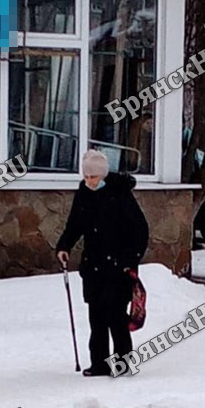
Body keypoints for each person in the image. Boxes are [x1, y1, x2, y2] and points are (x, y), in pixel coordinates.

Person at [56, 150, 149, 376]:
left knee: (115, 316)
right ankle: (99, 363)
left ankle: (122, 361)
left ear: (103, 176)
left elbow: (140, 231)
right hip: (93, 265)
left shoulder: (120, 195)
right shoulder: (83, 194)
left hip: (118, 267)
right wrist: (63, 247)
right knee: (96, 316)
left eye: (94, 177)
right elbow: (74, 224)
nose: (89, 181)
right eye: (86, 177)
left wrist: (128, 261)